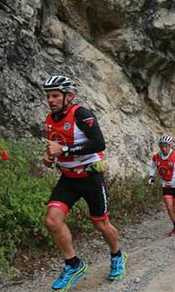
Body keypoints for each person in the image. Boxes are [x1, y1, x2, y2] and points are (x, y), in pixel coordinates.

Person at [42, 75, 127, 291]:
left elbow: (99, 143)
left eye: (55, 95)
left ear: (68, 96)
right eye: (48, 96)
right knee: (52, 221)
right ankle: (73, 264)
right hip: (68, 178)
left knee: (100, 223)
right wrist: (49, 157)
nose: (50, 100)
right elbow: (55, 144)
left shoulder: (81, 114)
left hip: (90, 177)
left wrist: (66, 151)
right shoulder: (50, 119)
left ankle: (117, 255)